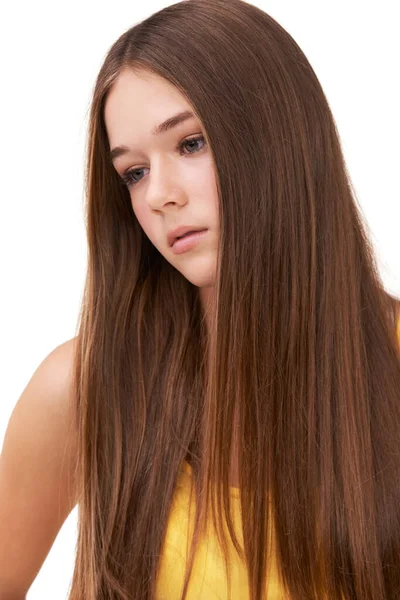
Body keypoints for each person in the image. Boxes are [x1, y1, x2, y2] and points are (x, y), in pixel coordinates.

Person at [1, 0, 400, 598]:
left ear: (280, 136)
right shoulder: (84, 389)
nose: (158, 195)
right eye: (133, 173)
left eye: (190, 144)